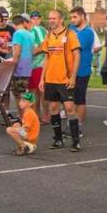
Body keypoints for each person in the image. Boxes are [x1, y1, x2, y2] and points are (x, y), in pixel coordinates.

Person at [41, 10, 82, 151]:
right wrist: (42, 78)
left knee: (70, 108)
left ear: (61, 19)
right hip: (51, 79)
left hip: (65, 79)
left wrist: (73, 77)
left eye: (54, 18)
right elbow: (47, 58)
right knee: (53, 108)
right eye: (49, 18)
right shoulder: (49, 35)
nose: (51, 20)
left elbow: (77, 56)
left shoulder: (70, 34)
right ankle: (58, 139)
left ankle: (76, 141)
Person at [4, 15, 37, 113]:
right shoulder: (30, 34)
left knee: (19, 95)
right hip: (28, 66)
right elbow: (32, 50)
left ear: (14, 24)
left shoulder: (17, 34)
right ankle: (30, 115)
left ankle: (23, 117)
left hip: (19, 68)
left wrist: (13, 64)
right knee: (27, 94)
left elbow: (17, 52)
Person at [69, 7, 96, 125]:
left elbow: (75, 47)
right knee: (70, 99)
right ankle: (72, 122)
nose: (72, 20)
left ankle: (79, 124)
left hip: (82, 70)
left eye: (75, 17)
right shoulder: (71, 29)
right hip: (70, 71)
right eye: (71, 17)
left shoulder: (88, 32)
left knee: (80, 99)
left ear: (83, 16)